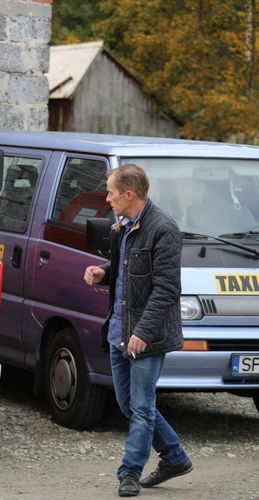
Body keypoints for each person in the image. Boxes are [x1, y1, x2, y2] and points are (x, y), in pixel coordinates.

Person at [83, 164, 193, 497]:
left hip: (147, 335)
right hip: (120, 329)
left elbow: (166, 289)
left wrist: (143, 332)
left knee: (142, 407)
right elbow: (127, 267)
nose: (106, 198)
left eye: (110, 192)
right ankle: (174, 457)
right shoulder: (122, 228)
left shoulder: (163, 229)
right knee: (129, 404)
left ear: (129, 195)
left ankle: (129, 472)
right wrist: (104, 272)